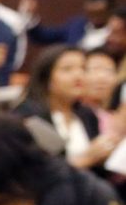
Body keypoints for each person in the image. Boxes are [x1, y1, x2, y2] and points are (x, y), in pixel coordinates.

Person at [14, 45, 120, 174]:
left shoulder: (87, 115)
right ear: (46, 77)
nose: (79, 75)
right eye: (67, 69)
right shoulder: (28, 115)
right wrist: (85, 159)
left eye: (83, 68)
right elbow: (31, 169)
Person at [29, 0, 115, 51]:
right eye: (90, 13)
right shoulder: (77, 25)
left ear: (110, 11)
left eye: (99, 13)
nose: (94, 18)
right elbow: (43, 37)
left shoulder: (116, 32)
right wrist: (32, 16)